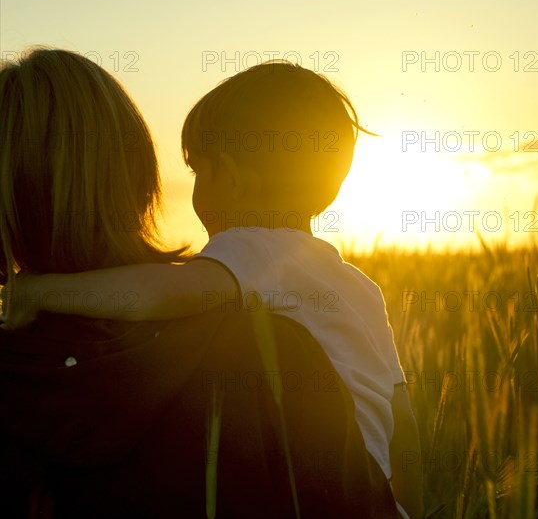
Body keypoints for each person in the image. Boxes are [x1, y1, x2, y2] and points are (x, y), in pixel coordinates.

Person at [3, 60, 423, 517]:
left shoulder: (253, 252)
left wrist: (41, 292)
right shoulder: (359, 287)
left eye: (197, 172)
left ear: (232, 177)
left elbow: (160, 294)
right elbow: (402, 423)